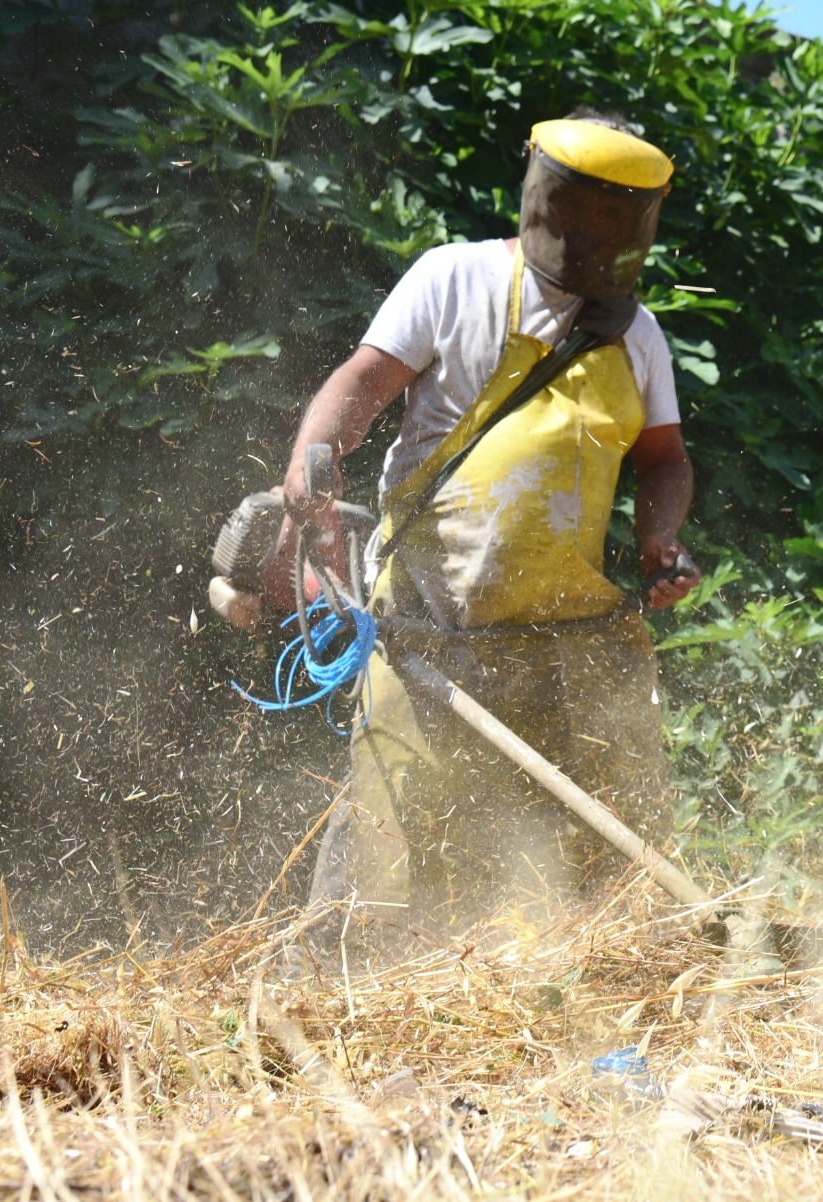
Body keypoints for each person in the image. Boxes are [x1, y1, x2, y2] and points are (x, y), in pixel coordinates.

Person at [279, 112, 700, 951]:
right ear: (545, 195)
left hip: (567, 644)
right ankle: (335, 989)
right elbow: (359, 383)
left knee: (595, 857)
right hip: (433, 630)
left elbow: (664, 460)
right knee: (390, 847)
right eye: (580, 206)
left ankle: (597, 978)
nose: (591, 230)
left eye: (614, 216)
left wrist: (661, 541)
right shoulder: (454, 278)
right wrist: (313, 466)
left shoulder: (636, 334)